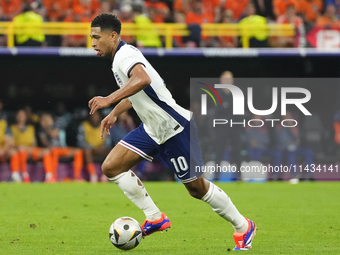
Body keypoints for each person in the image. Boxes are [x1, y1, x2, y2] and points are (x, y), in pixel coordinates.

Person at [88, 13, 257, 250]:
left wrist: (108, 99)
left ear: (113, 36)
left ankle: (243, 226)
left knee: (197, 189)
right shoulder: (122, 56)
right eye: (91, 37)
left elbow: (142, 79)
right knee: (111, 167)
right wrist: (115, 111)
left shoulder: (125, 56)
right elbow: (138, 92)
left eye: (97, 37)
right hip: (152, 128)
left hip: (174, 127)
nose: (93, 42)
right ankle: (155, 217)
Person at [10, 109, 55, 182]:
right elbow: (11, 142)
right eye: (20, 115)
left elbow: (34, 143)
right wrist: (18, 147)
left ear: (26, 117)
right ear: (16, 117)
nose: (21, 117)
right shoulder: (12, 128)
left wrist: (31, 148)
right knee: (21, 149)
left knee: (46, 151)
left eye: (23, 115)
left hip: (30, 149)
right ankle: (24, 175)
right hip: (19, 150)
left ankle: (49, 176)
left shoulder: (31, 128)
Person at [38, 112, 83, 182]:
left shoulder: (57, 125)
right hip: (53, 150)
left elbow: (54, 134)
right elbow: (44, 141)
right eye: (44, 119)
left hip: (63, 149)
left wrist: (47, 127)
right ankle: (53, 177)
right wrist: (45, 128)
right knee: (54, 151)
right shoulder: (41, 129)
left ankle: (77, 177)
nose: (46, 120)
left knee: (78, 151)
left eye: (47, 118)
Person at [77, 111, 111, 183]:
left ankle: (105, 175)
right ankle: (93, 175)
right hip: (90, 149)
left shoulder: (104, 126)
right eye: (93, 116)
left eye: (96, 116)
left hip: (101, 149)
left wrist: (102, 147)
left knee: (112, 152)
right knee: (86, 151)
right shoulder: (83, 125)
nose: (94, 118)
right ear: (89, 117)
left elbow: (108, 141)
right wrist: (91, 147)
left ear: (100, 117)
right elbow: (80, 141)